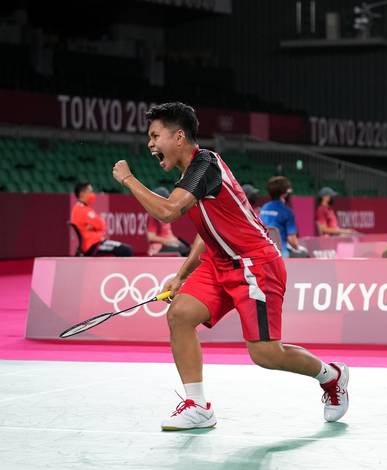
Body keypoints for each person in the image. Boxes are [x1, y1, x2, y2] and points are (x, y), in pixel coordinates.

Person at [111, 102, 349, 431]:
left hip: (256, 264)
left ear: (179, 137)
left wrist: (128, 179)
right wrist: (182, 274)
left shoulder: (205, 164)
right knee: (180, 314)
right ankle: (197, 407)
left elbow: (167, 212)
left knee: (265, 354)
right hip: (219, 263)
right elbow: (205, 233)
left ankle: (331, 375)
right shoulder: (188, 176)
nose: (150, 144)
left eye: (155, 136)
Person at [70, 182, 133, 257]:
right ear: (82, 194)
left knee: (126, 249)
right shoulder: (80, 210)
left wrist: (92, 226)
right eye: (90, 191)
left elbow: (100, 225)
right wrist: (94, 227)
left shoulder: (83, 208)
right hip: (93, 245)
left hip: (95, 242)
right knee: (126, 250)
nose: (92, 194)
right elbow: (100, 224)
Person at [258, 176, 303, 258]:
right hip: (281, 255)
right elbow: (292, 241)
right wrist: (299, 248)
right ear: (285, 194)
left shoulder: (264, 208)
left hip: (264, 253)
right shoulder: (287, 212)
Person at [147, 186, 191, 256]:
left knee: (189, 249)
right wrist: (167, 241)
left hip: (169, 243)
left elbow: (168, 234)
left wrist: (175, 240)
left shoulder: (166, 214)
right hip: (159, 247)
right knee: (183, 250)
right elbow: (151, 237)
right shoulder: (153, 216)